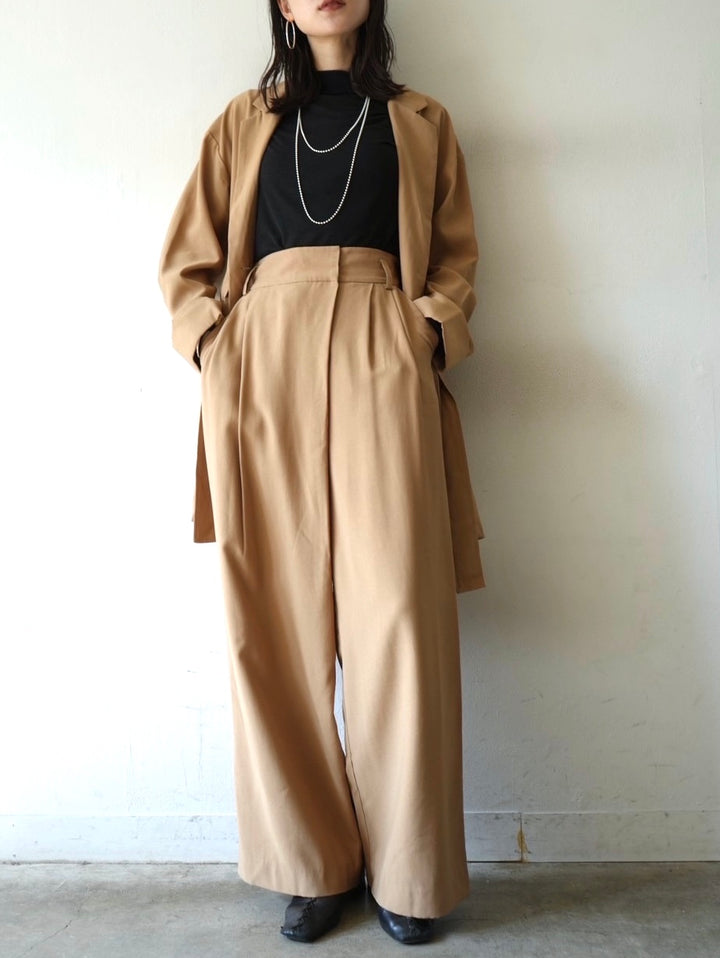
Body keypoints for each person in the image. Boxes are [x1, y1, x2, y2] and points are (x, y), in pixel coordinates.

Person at [158, 0, 485, 945]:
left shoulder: (422, 120)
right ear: (281, 5)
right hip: (263, 358)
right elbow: (187, 261)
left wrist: (427, 331)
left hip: (384, 341)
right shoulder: (243, 120)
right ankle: (309, 863)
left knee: (400, 621)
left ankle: (409, 871)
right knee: (273, 623)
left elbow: (455, 256)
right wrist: (214, 344)